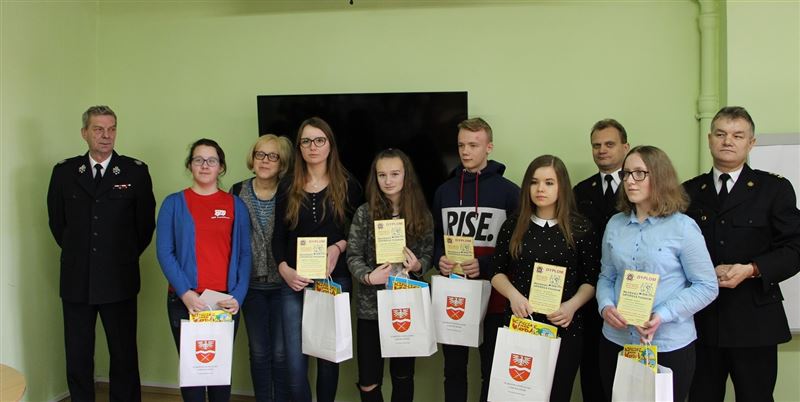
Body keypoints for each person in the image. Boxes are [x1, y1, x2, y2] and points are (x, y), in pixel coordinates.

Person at [684, 106, 800, 402]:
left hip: (755, 321)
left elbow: (795, 248)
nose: (728, 141)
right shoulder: (688, 192)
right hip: (701, 321)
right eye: (721, 134)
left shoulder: (774, 189)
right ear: (709, 139)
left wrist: (752, 269)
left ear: (751, 143)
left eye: (738, 135)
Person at [47, 105, 155, 402]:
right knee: (78, 354)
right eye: (98, 129)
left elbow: (145, 226)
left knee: (123, 354)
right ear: (85, 133)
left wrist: (120, 256)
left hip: (119, 278)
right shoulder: (65, 173)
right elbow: (58, 224)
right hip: (77, 278)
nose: (106, 135)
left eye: (111, 129)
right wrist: (82, 255)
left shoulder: (135, 172)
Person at [596, 145, 718, 402]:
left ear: (660, 176)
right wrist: (605, 306)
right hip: (617, 341)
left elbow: (707, 286)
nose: (630, 181)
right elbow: (606, 277)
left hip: (667, 344)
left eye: (639, 173)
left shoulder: (683, 227)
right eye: (626, 174)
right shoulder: (615, 224)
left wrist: (663, 314)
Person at [490, 155, 599, 402]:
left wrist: (571, 306)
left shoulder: (581, 228)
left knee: (557, 394)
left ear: (562, 186)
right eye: (534, 182)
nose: (540, 189)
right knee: (517, 395)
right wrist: (513, 296)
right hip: (521, 324)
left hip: (564, 326)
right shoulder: (513, 225)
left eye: (549, 182)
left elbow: (591, 280)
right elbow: (496, 272)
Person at [272, 117, 363, 402]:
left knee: (328, 357)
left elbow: (358, 235)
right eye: (306, 141)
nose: (313, 146)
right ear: (299, 147)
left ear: (330, 145)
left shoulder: (348, 184)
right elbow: (277, 237)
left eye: (319, 140)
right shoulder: (287, 186)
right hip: (294, 282)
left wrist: (337, 248)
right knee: (295, 362)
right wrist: (284, 269)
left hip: (334, 282)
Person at [156, 138, 252, 402]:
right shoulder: (173, 204)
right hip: (185, 302)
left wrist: (238, 296)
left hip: (224, 303)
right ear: (190, 165)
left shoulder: (235, 205)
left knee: (219, 374)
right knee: (193, 375)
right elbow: (165, 252)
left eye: (212, 160)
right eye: (198, 160)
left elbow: (245, 254)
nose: (205, 165)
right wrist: (186, 293)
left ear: (221, 167)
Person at [431, 117, 520, 402]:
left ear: (489, 147)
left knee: (491, 370)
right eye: (461, 145)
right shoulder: (444, 191)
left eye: (473, 145)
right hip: (455, 296)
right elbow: (435, 237)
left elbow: (517, 248)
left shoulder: (510, 192)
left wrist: (485, 265)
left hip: (496, 297)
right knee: (454, 369)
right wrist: (438, 258)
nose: (466, 151)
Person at [347, 149, 434, 402]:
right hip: (371, 308)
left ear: (406, 176)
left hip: (406, 306)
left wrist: (418, 265)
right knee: (368, 381)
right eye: (382, 175)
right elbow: (352, 255)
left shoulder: (421, 214)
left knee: (403, 376)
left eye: (395, 174)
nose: (388, 180)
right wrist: (368, 276)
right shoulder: (364, 213)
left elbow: (428, 255)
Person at [229, 134, 293, 402]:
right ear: (252, 158)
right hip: (250, 286)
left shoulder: (291, 193)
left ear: (282, 163)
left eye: (273, 156)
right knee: (258, 352)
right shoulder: (236, 191)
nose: (265, 161)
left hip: (284, 286)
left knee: (281, 353)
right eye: (260, 154)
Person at [572, 118, 630, 402]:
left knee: (628, 375)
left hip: (629, 295)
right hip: (588, 292)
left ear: (625, 147)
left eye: (609, 144)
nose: (602, 150)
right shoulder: (581, 191)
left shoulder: (638, 187)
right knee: (592, 371)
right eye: (596, 145)